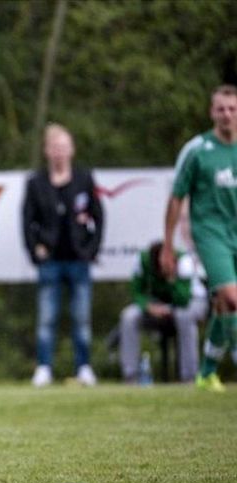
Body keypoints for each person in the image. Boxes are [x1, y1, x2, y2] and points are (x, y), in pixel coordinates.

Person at [160, 84, 237, 392]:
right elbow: (176, 198)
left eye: (232, 109)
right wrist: (168, 244)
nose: (227, 115)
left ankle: (206, 372)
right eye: (221, 109)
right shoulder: (197, 150)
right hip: (210, 235)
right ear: (211, 112)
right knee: (232, 298)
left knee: (223, 306)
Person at [22, 123, 104, 387]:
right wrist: (36, 251)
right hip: (50, 262)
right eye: (55, 148)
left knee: (82, 319)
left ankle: (84, 368)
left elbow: (99, 216)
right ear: (47, 151)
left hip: (79, 260)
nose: (59, 153)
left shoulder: (84, 178)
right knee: (46, 318)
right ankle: (44, 367)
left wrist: (91, 250)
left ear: (72, 150)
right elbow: (27, 220)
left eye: (64, 147)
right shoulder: (36, 183)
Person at [119, 241, 207, 383]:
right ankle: (130, 375)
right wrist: (148, 307)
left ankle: (189, 376)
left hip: (191, 302)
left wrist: (171, 278)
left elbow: (183, 298)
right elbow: (136, 291)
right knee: (129, 316)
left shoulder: (183, 260)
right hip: (157, 304)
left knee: (183, 316)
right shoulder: (143, 260)